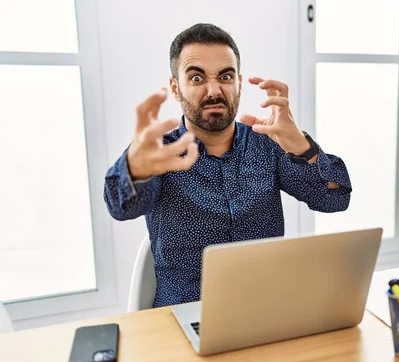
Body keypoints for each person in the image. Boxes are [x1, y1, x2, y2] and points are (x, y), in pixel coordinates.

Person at [103, 23, 351, 308]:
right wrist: (135, 167)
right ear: (175, 87)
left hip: (265, 309)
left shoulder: (269, 143)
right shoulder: (160, 153)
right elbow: (120, 207)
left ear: (239, 83)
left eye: (225, 76)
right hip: (185, 312)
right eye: (196, 78)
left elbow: (335, 198)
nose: (213, 90)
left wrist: (300, 147)